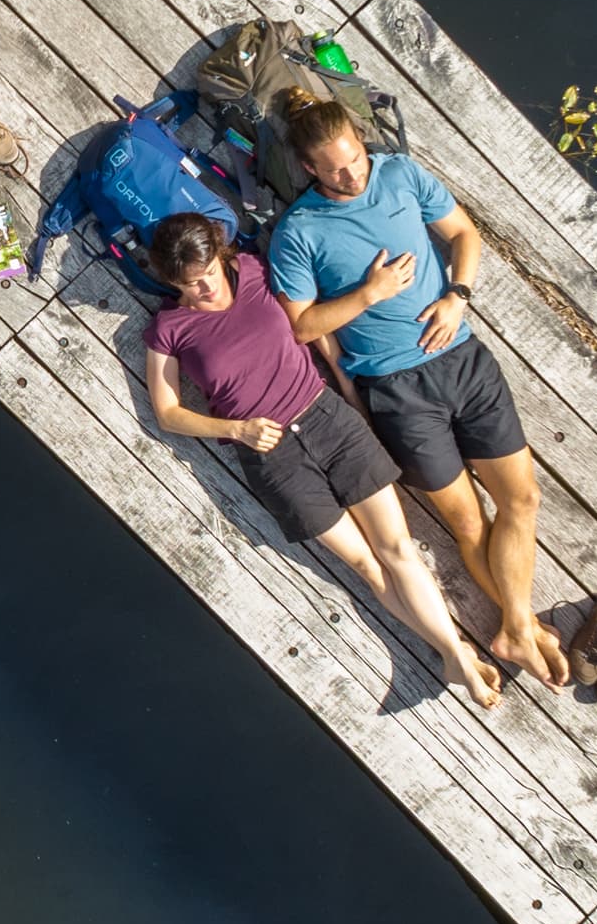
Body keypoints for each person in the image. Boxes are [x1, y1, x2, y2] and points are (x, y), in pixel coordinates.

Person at [260, 92, 570, 690]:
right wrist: (367, 296)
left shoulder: (400, 173)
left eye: (354, 158)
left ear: (359, 140)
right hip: (396, 389)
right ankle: (521, 629)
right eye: (334, 168)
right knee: (468, 524)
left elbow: (464, 234)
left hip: (464, 360)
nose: (351, 173)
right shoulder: (299, 231)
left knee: (523, 500)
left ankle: (514, 627)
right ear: (308, 170)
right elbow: (300, 325)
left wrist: (459, 295)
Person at [138, 212, 501, 707]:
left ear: (221, 256)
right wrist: (234, 429)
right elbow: (167, 413)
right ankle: (454, 652)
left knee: (397, 548)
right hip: (272, 457)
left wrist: (347, 384)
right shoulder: (169, 328)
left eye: (207, 276)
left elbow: (311, 330)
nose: (203, 290)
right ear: (172, 282)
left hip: (327, 418)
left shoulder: (256, 271)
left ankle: (455, 658)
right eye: (188, 285)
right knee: (367, 567)